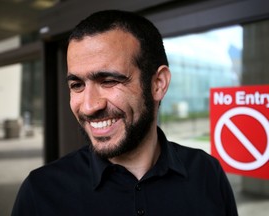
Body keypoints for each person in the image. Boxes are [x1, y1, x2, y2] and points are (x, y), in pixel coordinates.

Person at [12, 10, 238, 216]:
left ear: (158, 84)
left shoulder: (207, 173)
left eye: (109, 81)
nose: (89, 106)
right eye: (77, 85)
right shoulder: (40, 192)